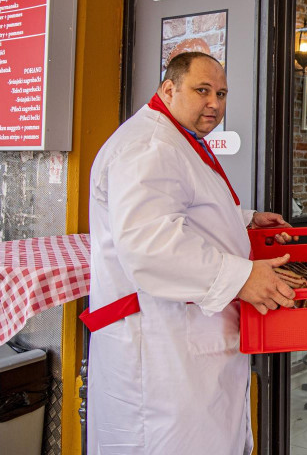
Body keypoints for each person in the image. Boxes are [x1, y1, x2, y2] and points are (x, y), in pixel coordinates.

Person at [84, 52, 296, 455]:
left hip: (189, 338)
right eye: (202, 90)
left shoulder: (175, 138)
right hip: (161, 348)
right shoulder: (149, 145)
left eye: (221, 93)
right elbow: (151, 245)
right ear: (169, 88)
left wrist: (246, 220)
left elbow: (185, 206)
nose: (214, 102)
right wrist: (243, 277)